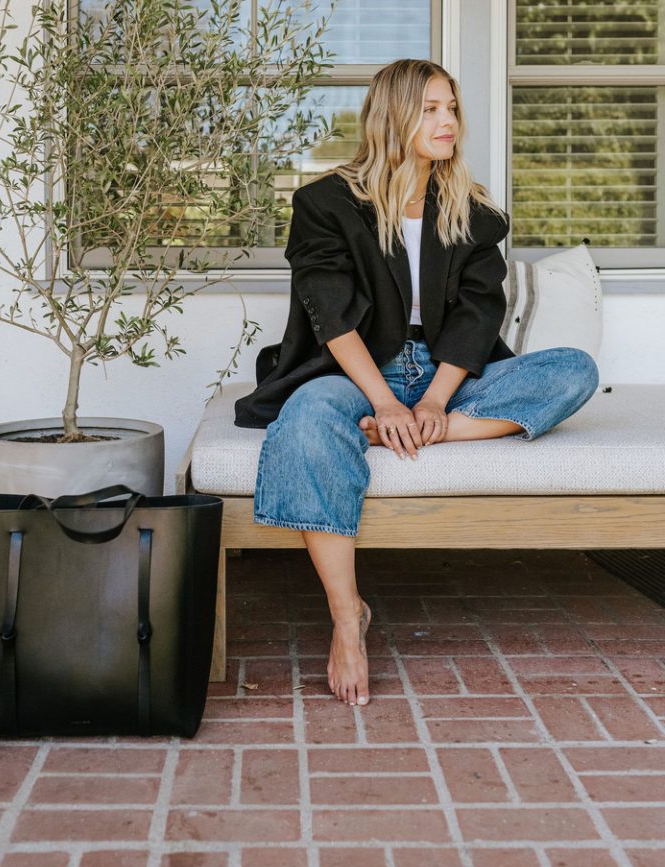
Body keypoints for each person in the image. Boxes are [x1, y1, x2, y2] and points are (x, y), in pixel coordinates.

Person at [234, 58, 599, 709]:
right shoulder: (325, 204)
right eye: (431, 108)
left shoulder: (474, 212)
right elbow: (331, 314)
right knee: (308, 421)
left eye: (452, 108)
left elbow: (478, 315)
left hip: (446, 374)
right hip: (354, 372)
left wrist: (432, 403)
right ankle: (349, 619)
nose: (448, 121)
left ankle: (427, 434)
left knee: (575, 370)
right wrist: (381, 400)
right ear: (394, 115)